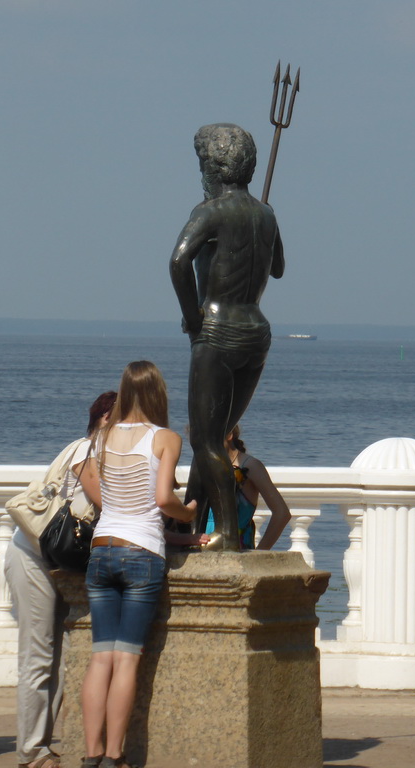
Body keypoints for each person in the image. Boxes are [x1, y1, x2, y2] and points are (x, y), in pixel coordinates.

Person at [169, 123, 284, 551]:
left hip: (217, 332)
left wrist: (191, 317)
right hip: (256, 333)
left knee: (204, 437)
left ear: (214, 167)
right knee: (214, 437)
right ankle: (192, 518)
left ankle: (227, 537)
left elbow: (179, 262)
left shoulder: (210, 211)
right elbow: (277, 268)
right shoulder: (266, 214)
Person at [77, 361, 197, 768]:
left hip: (102, 548)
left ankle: (91, 754)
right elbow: (164, 499)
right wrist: (189, 511)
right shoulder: (165, 438)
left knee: (100, 658)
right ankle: (114, 755)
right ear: (158, 393)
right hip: (141, 551)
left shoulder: (102, 436)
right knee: (126, 659)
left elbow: (97, 489)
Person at [4, 391, 117, 768]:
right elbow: (104, 500)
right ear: (104, 419)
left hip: (61, 561)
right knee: (39, 655)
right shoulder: (85, 450)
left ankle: (44, 743)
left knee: (65, 655)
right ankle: (32, 751)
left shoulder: (108, 457)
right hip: (32, 554)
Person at [202, 425, 291, 550]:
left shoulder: (251, 466)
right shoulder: (205, 465)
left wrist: (260, 554)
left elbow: (282, 513)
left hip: (238, 550)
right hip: (203, 549)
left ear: (229, 435)